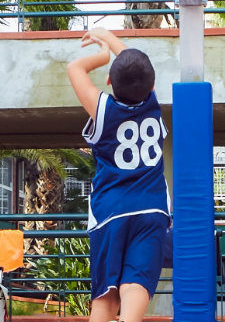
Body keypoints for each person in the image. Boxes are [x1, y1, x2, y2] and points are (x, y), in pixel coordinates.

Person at [66, 27, 169, 322]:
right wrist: (109, 38)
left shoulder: (104, 110)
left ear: (110, 81)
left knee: (106, 296)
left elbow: (75, 68)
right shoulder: (152, 105)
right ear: (151, 86)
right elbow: (134, 64)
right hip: (151, 208)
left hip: (111, 211)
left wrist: (101, 53)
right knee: (136, 283)